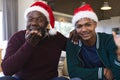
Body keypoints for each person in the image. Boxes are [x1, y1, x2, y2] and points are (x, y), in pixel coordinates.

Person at [0, 1, 69, 80]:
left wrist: (76, 34)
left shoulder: (56, 37)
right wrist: (29, 44)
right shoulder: (17, 37)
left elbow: (75, 48)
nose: (34, 23)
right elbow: (7, 70)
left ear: (47, 24)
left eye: (40, 20)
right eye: (30, 19)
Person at [66, 4, 120, 80]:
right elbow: (73, 72)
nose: (84, 29)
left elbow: (115, 74)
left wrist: (119, 57)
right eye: (79, 26)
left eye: (88, 24)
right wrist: (102, 72)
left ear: (95, 24)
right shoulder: (73, 42)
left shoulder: (108, 40)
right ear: (75, 28)